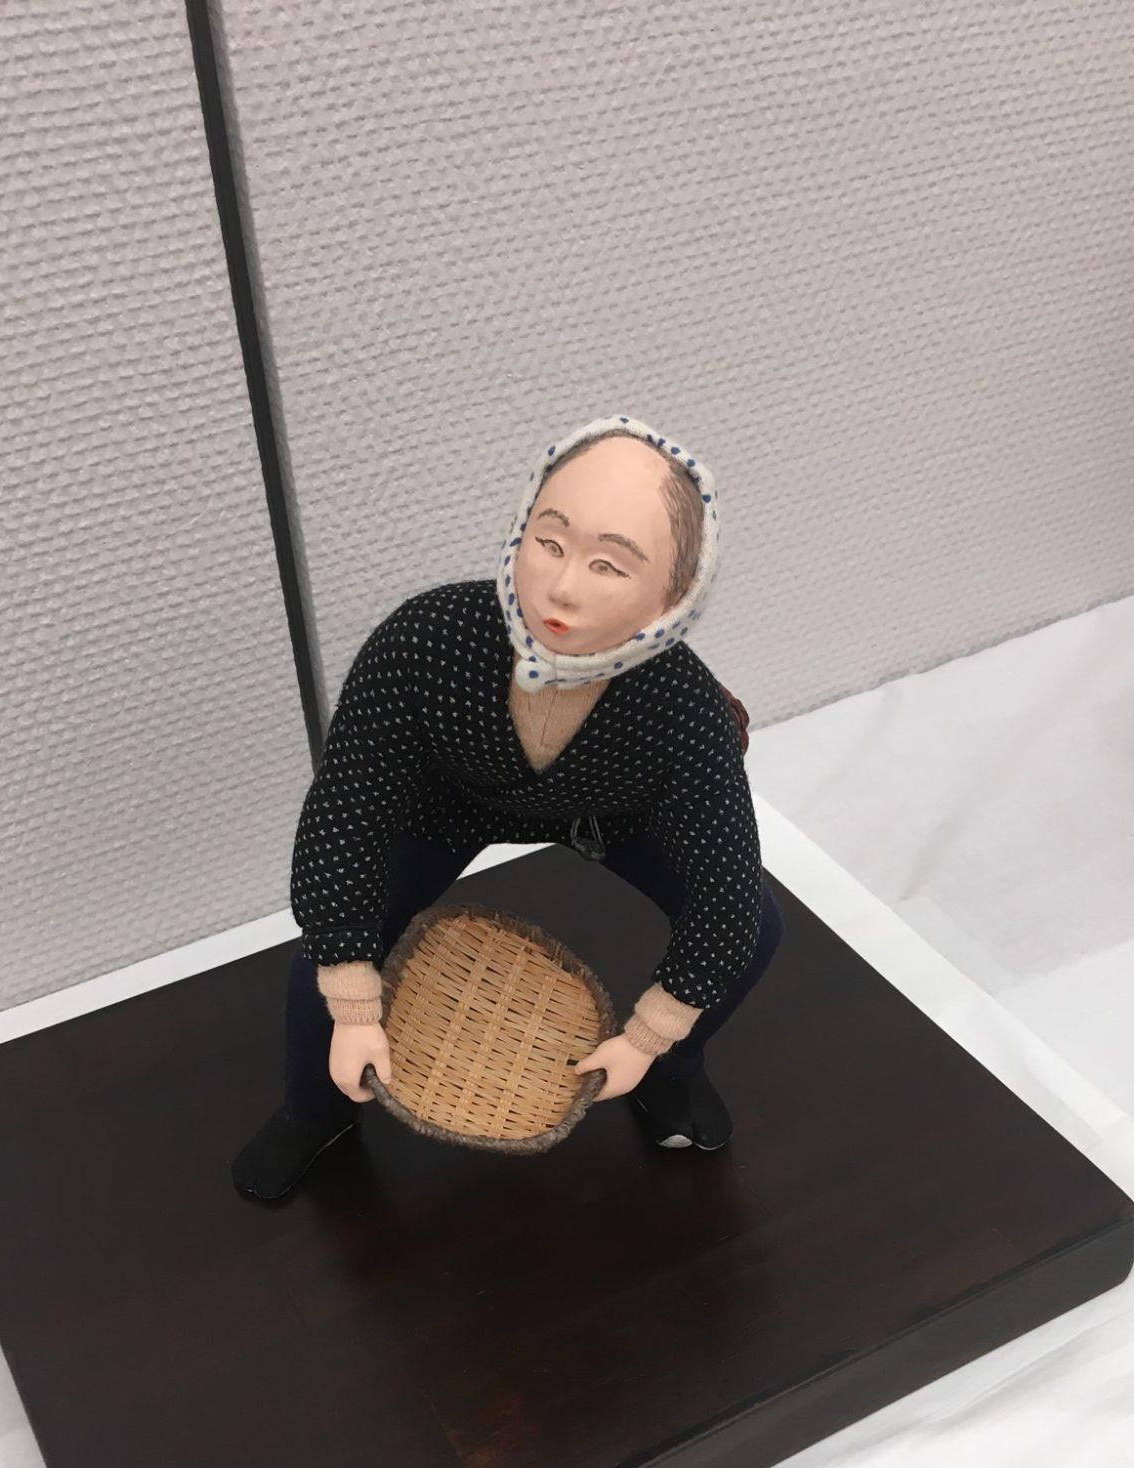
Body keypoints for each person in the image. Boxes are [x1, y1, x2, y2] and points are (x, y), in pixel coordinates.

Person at [232, 414, 784, 1200]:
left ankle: (675, 1071)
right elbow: (346, 809)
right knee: (325, 953)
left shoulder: (682, 708)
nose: (563, 586)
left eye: (609, 565)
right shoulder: (426, 640)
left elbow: (726, 892)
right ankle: (312, 1109)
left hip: (611, 812)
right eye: (550, 543)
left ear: (674, 595)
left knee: (759, 927)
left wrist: (650, 1035)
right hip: (450, 800)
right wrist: (354, 1003)